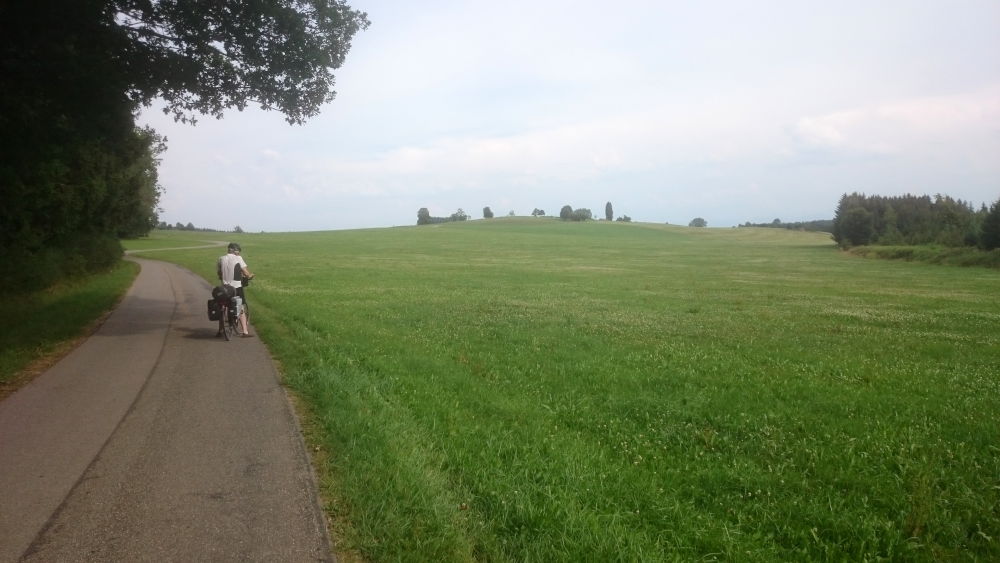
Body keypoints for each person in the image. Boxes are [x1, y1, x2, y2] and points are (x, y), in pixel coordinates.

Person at [217, 242, 254, 337]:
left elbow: (219, 274)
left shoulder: (221, 259)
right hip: (236, 287)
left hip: (224, 288)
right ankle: (245, 332)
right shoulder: (238, 258)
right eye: (238, 251)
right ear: (235, 251)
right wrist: (250, 275)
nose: (239, 253)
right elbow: (245, 273)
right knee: (240, 306)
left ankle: (220, 331)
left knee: (222, 307)